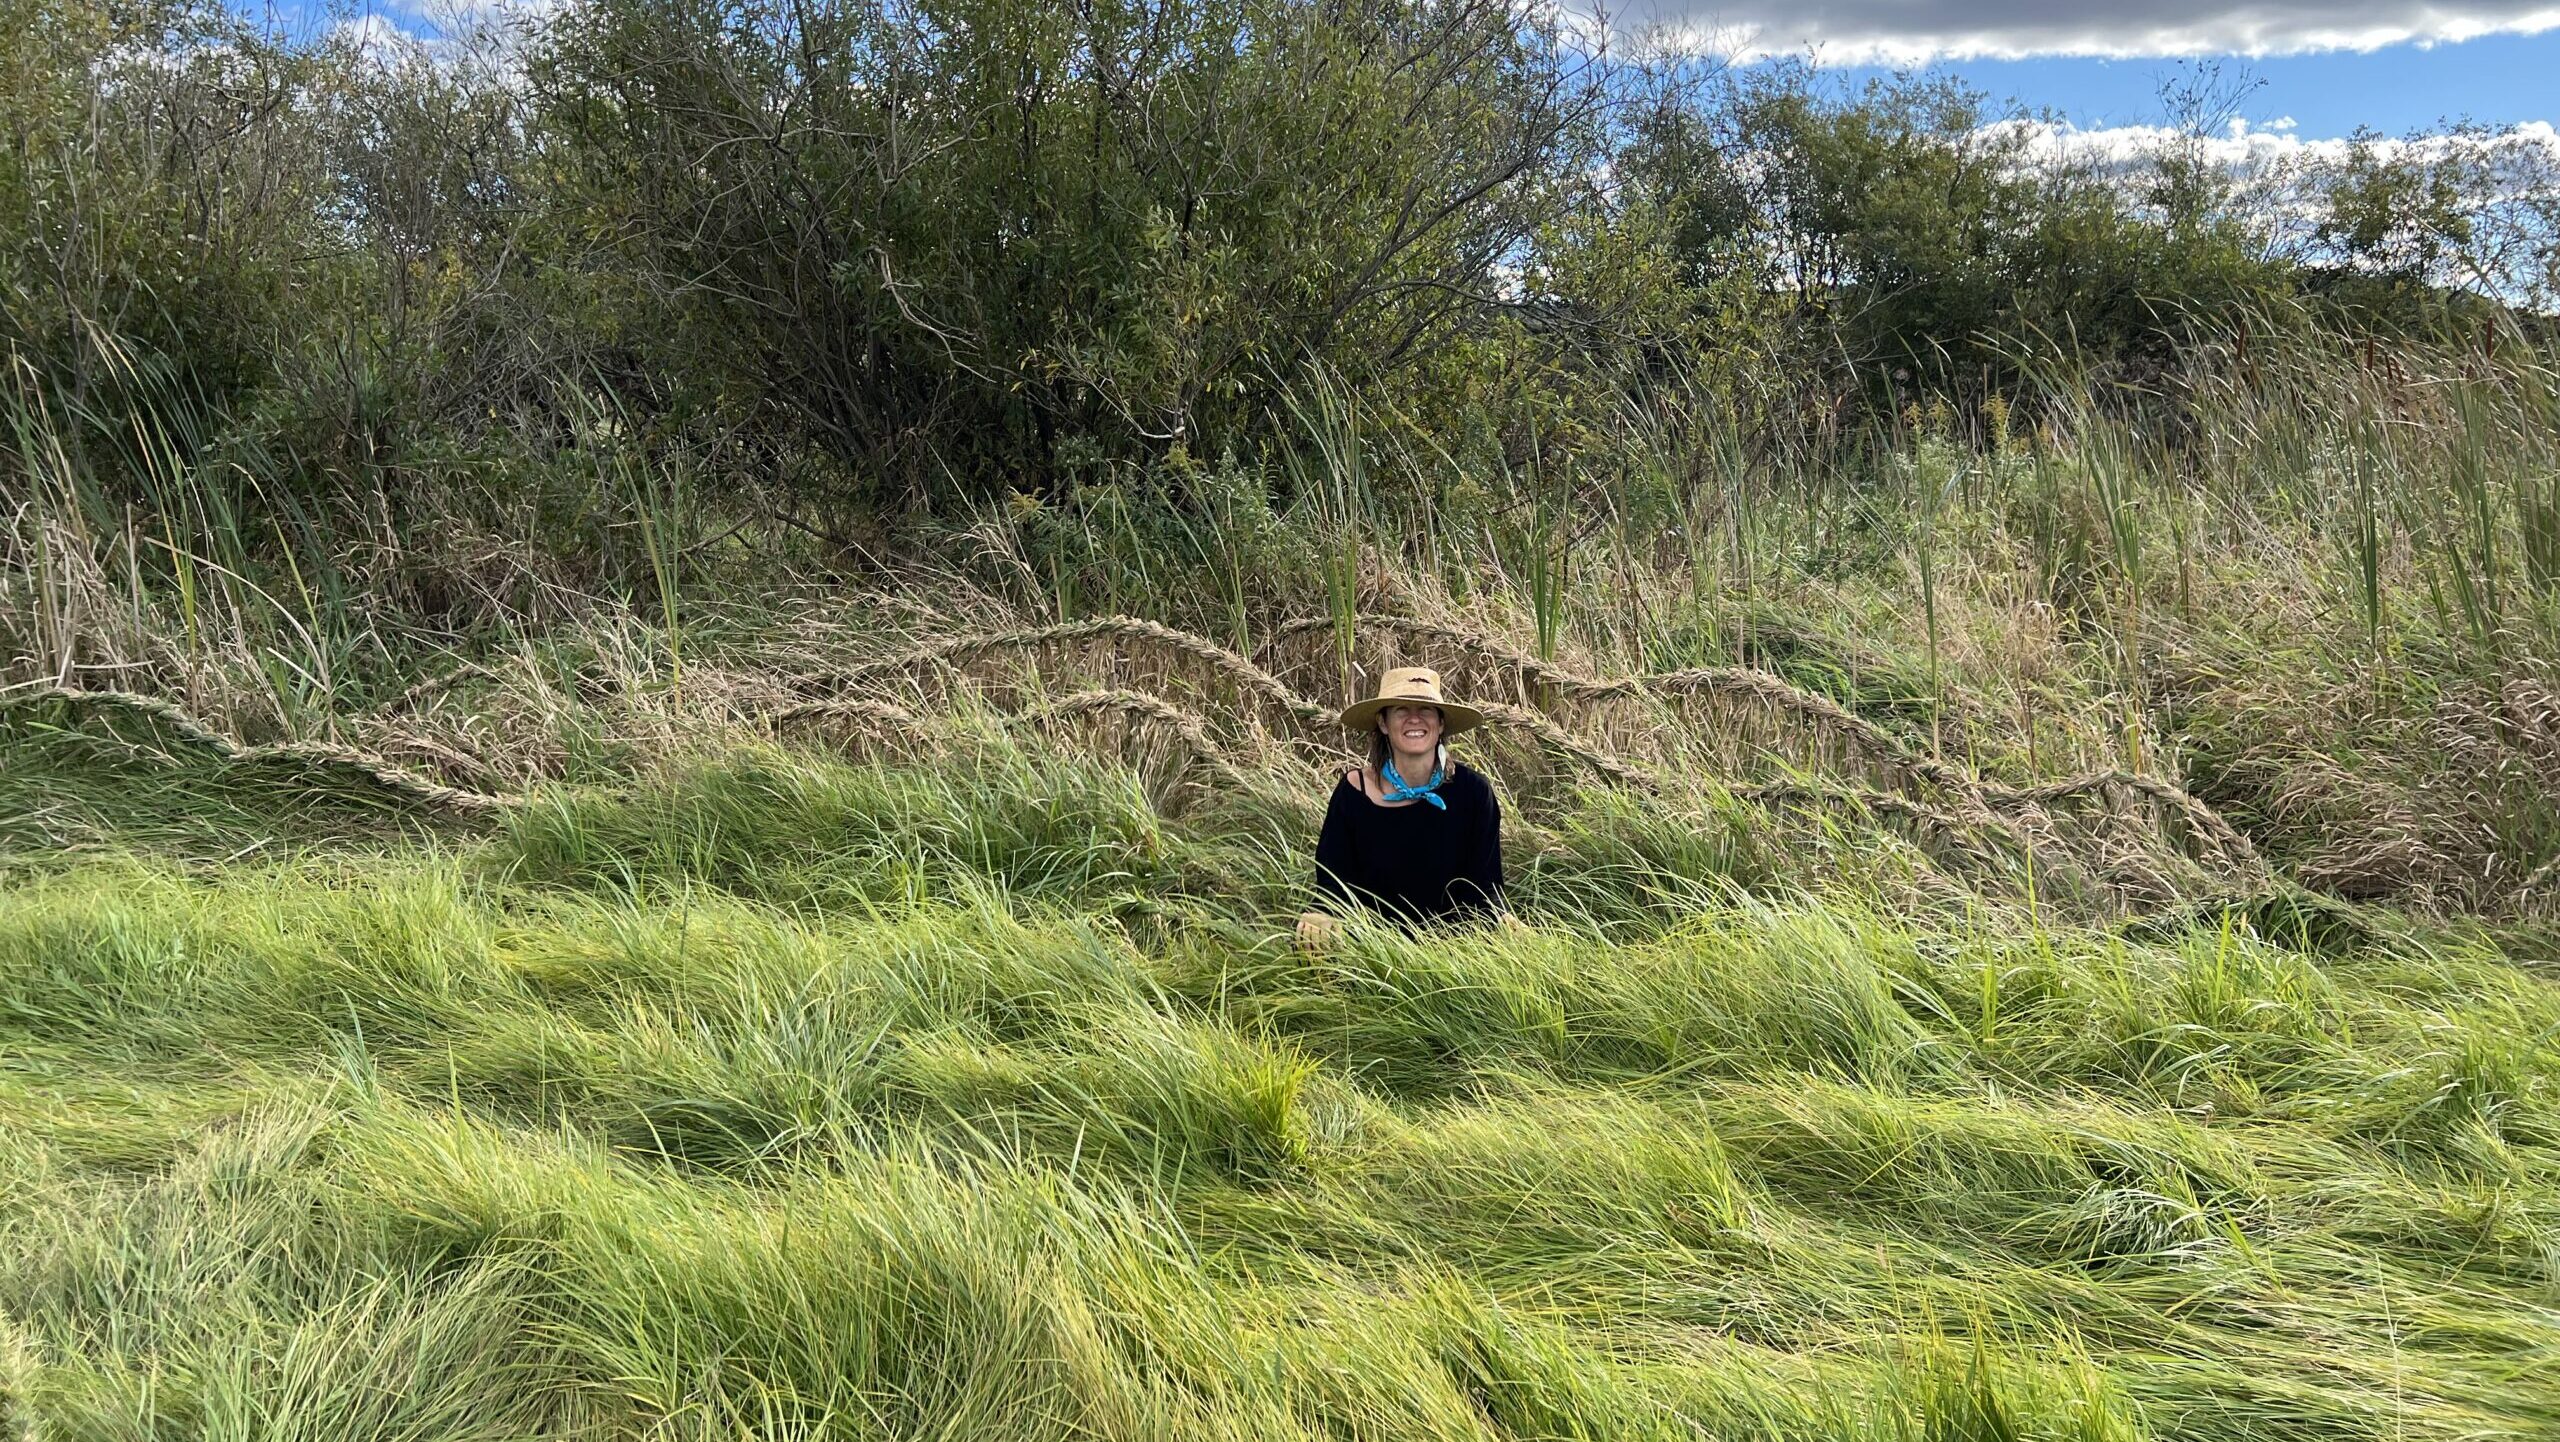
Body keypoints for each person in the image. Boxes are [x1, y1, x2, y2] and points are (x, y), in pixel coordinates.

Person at [1296, 665, 1508, 948]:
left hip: (1455, 953)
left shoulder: (1473, 793)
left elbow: (1485, 888)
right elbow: (1333, 885)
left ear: (1441, 723)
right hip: (1371, 949)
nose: (1414, 719)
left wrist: (1503, 920)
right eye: (1401, 710)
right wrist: (1320, 916)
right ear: (1383, 723)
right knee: (1308, 935)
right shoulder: (1354, 792)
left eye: (1426, 710)